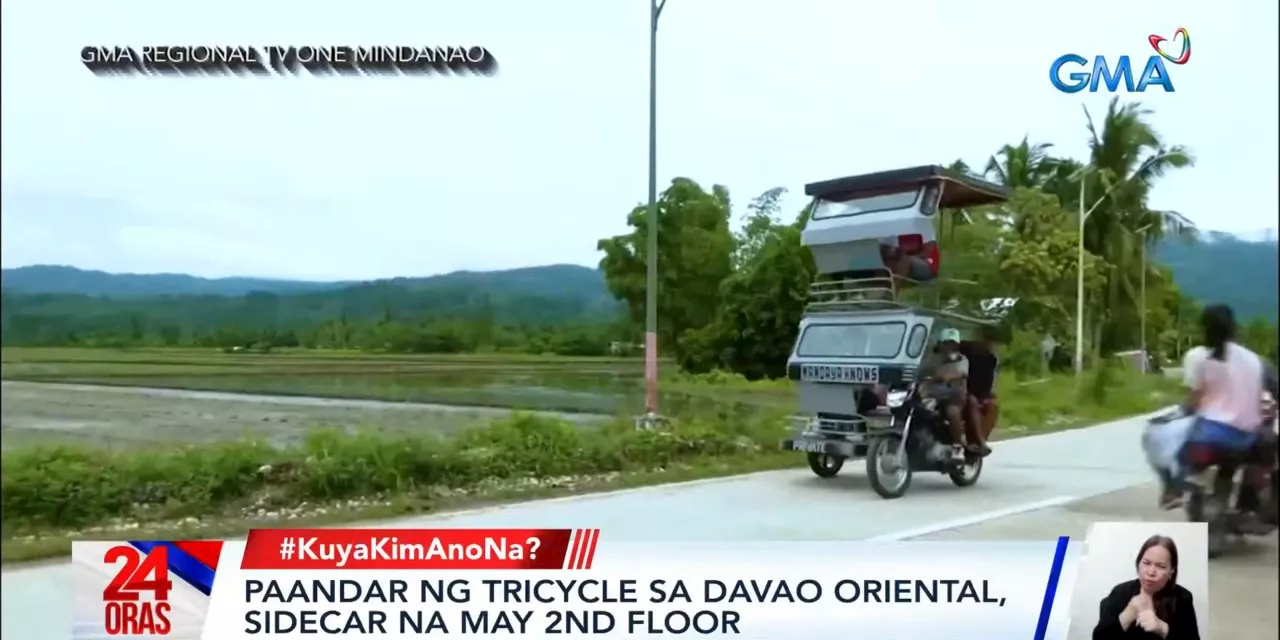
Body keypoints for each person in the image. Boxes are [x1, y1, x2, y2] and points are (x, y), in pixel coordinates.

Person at [1175, 305, 1276, 527]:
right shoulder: (1255, 360)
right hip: (1243, 438)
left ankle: (1179, 489)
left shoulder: (1197, 357)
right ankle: (1251, 507)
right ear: (1234, 329)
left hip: (1205, 436)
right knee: (1263, 451)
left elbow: (1194, 400)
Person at [1092, 535, 1199, 639]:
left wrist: (1162, 628)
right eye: (1146, 563)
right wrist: (1127, 615)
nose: (1151, 572)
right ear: (1138, 564)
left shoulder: (1183, 598)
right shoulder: (1120, 592)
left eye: (1161, 566)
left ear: (1172, 571)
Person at [920, 328, 970, 462]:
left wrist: (945, 376)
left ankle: (958, 447)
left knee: (952, 412)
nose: (949, 346)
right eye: (946, 343)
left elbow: (961, 373)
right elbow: (920, 372)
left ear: (957, 344)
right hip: (933, 395)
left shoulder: (962, 359)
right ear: (940, 344)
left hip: (954, 395)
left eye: (952, 343)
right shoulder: (933, 359)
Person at [959, 326, 999, 456]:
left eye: (990, 341)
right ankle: (979, 440)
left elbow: (988, 380)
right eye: (985, 340)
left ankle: (982, 439)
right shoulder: (965, 350)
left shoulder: (990, 358)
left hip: (979, 392)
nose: (987, 344)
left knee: (993, 405)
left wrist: (987, 395)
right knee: (972, 400)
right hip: (963, 389)